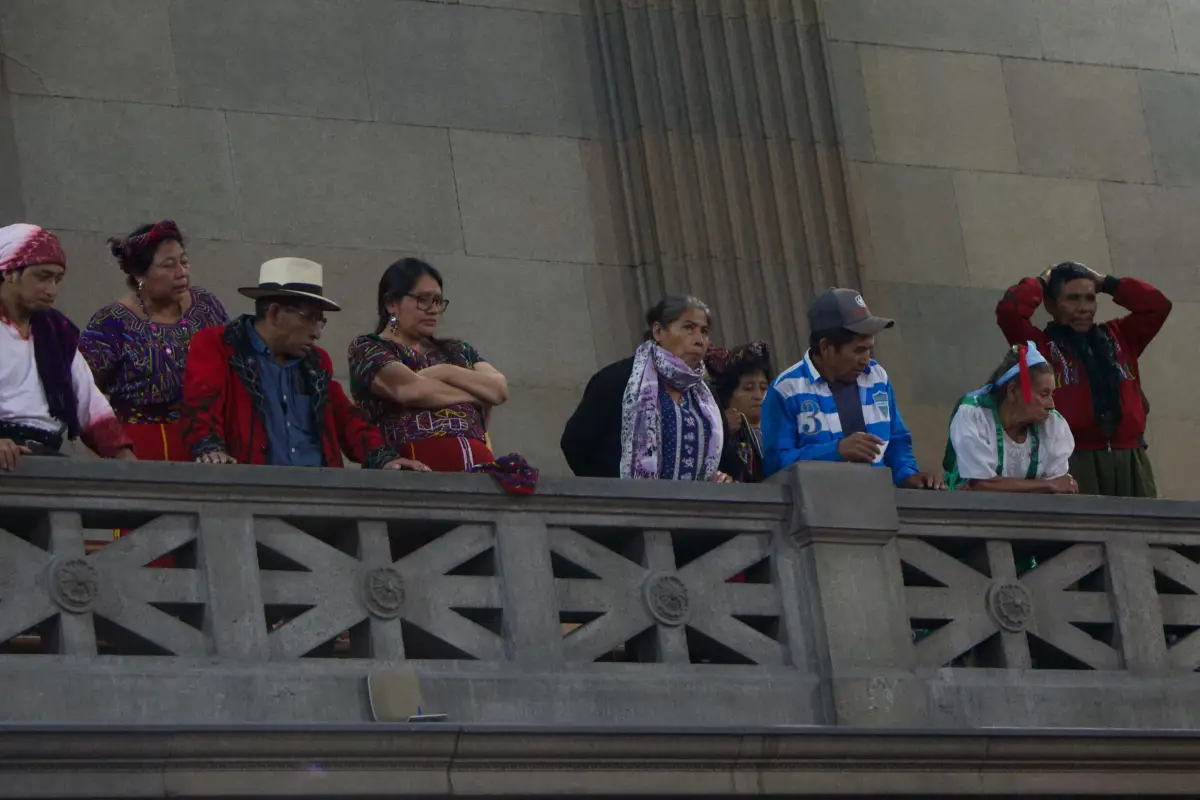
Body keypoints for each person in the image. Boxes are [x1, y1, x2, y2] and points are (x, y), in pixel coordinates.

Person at [180, 257, 426, 471]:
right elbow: (201, 405)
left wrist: (383, 458)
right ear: (274, 313)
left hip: (318, 492)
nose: (317, 333)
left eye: (321, 321)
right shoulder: (220, 345)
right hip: (253, 492)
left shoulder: (317, 362)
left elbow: (347, 419)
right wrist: (209, 449)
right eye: (309, 318)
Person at [996, 262, 1171, 497]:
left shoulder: (1121, 336)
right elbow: (1010, 311)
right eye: (1073, 299)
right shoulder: (1038, 347)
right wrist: (1040, 282)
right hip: (1072, 462)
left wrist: (1107, 283)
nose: (1083, 308)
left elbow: (1157, 305)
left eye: (1090, 298)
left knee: (1142, 531)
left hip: (1130, 458)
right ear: (1050, 304)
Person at [761, 288, 942, 489]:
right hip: (819, 510)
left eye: (869, 349)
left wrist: (908, 475)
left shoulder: (877, 377)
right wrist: (836, 451)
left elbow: (897, 440)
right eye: (859, 350)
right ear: (825, 347)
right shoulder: (786, 389)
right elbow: (775, 464)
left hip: (879, 505)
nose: (866, 360)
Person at [79, 221, 228, 462]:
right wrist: (114, 450)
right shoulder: (112, 322)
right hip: (138, 449)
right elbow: (82, 390)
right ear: (140, 275)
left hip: (206, 445)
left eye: (184, 261)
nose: (182, 272)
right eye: (169, 266)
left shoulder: (206, 307)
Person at [348, 258, 507, 472]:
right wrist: (478, 394)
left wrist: (445, 371)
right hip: (411, 475)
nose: (433, 309)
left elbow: (499, 389)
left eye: (438, 301)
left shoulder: (458, 350)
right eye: (423, 299)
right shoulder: (368, 348)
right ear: (391, 304)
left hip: (479, 475)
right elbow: (411, 390)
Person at [0, 224, 135, 470]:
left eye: (57, 279)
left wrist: (127, 460)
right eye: (42, 277)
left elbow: (90, 403)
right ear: (9, 272)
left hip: (46, 457)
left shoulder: (56, 331)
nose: (52, 290)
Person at [561, 295, 736, 482]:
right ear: (659, 331)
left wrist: (723, 477)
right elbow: (576, 443)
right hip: (630, 506)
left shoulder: (707, 398)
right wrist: (610, 492)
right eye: (688, 328)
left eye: (704, 331)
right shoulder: (618, 380)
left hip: (696, 508)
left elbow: (724, 457)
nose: (699, 340)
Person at [943, 343, 1077, 494]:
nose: (1051, 405)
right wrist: (1047, 486)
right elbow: (981, 485)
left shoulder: (1052, 425)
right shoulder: (975, 415)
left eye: (1052, 395)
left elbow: (1060, 484)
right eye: (1044, 394)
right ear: (1013, 391)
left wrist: (1053, 485)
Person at [705, 340, 773, 483]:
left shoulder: (780, 432)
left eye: (764, 388)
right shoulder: (717, 435)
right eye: (748, 388)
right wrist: (723, 428)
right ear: (728, 396)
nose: (758, 396)